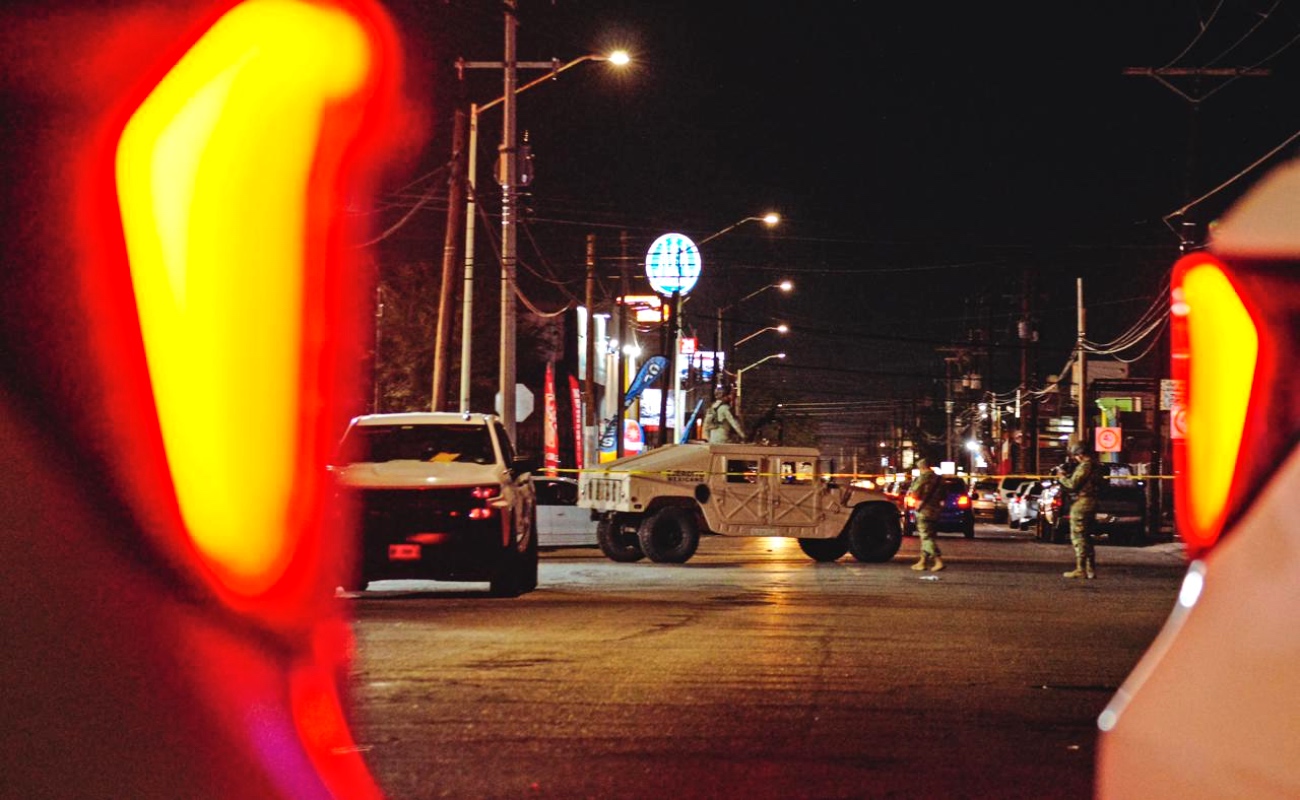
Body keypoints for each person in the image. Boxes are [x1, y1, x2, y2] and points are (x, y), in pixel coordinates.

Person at [1055, 441, 1101, 579]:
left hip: (1082, 502)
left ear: (1080, 454)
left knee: (1078, 536)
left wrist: (1062, 477)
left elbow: (1073, 484)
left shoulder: (1085, 466)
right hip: (1092, 501)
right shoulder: (1096, 466)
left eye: (1076, 456)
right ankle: (1090, 569)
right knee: (1086, 536)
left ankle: (1081, 569)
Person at [905, 457, 946, 572]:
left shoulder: (922, 478)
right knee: (929, 536)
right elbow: (944, 496)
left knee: (926, 537)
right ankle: (922, 562)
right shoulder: (939, 479)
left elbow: (915, 492)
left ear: (921, 467)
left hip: (924, 510)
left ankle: (938, 561)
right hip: (936, 511)